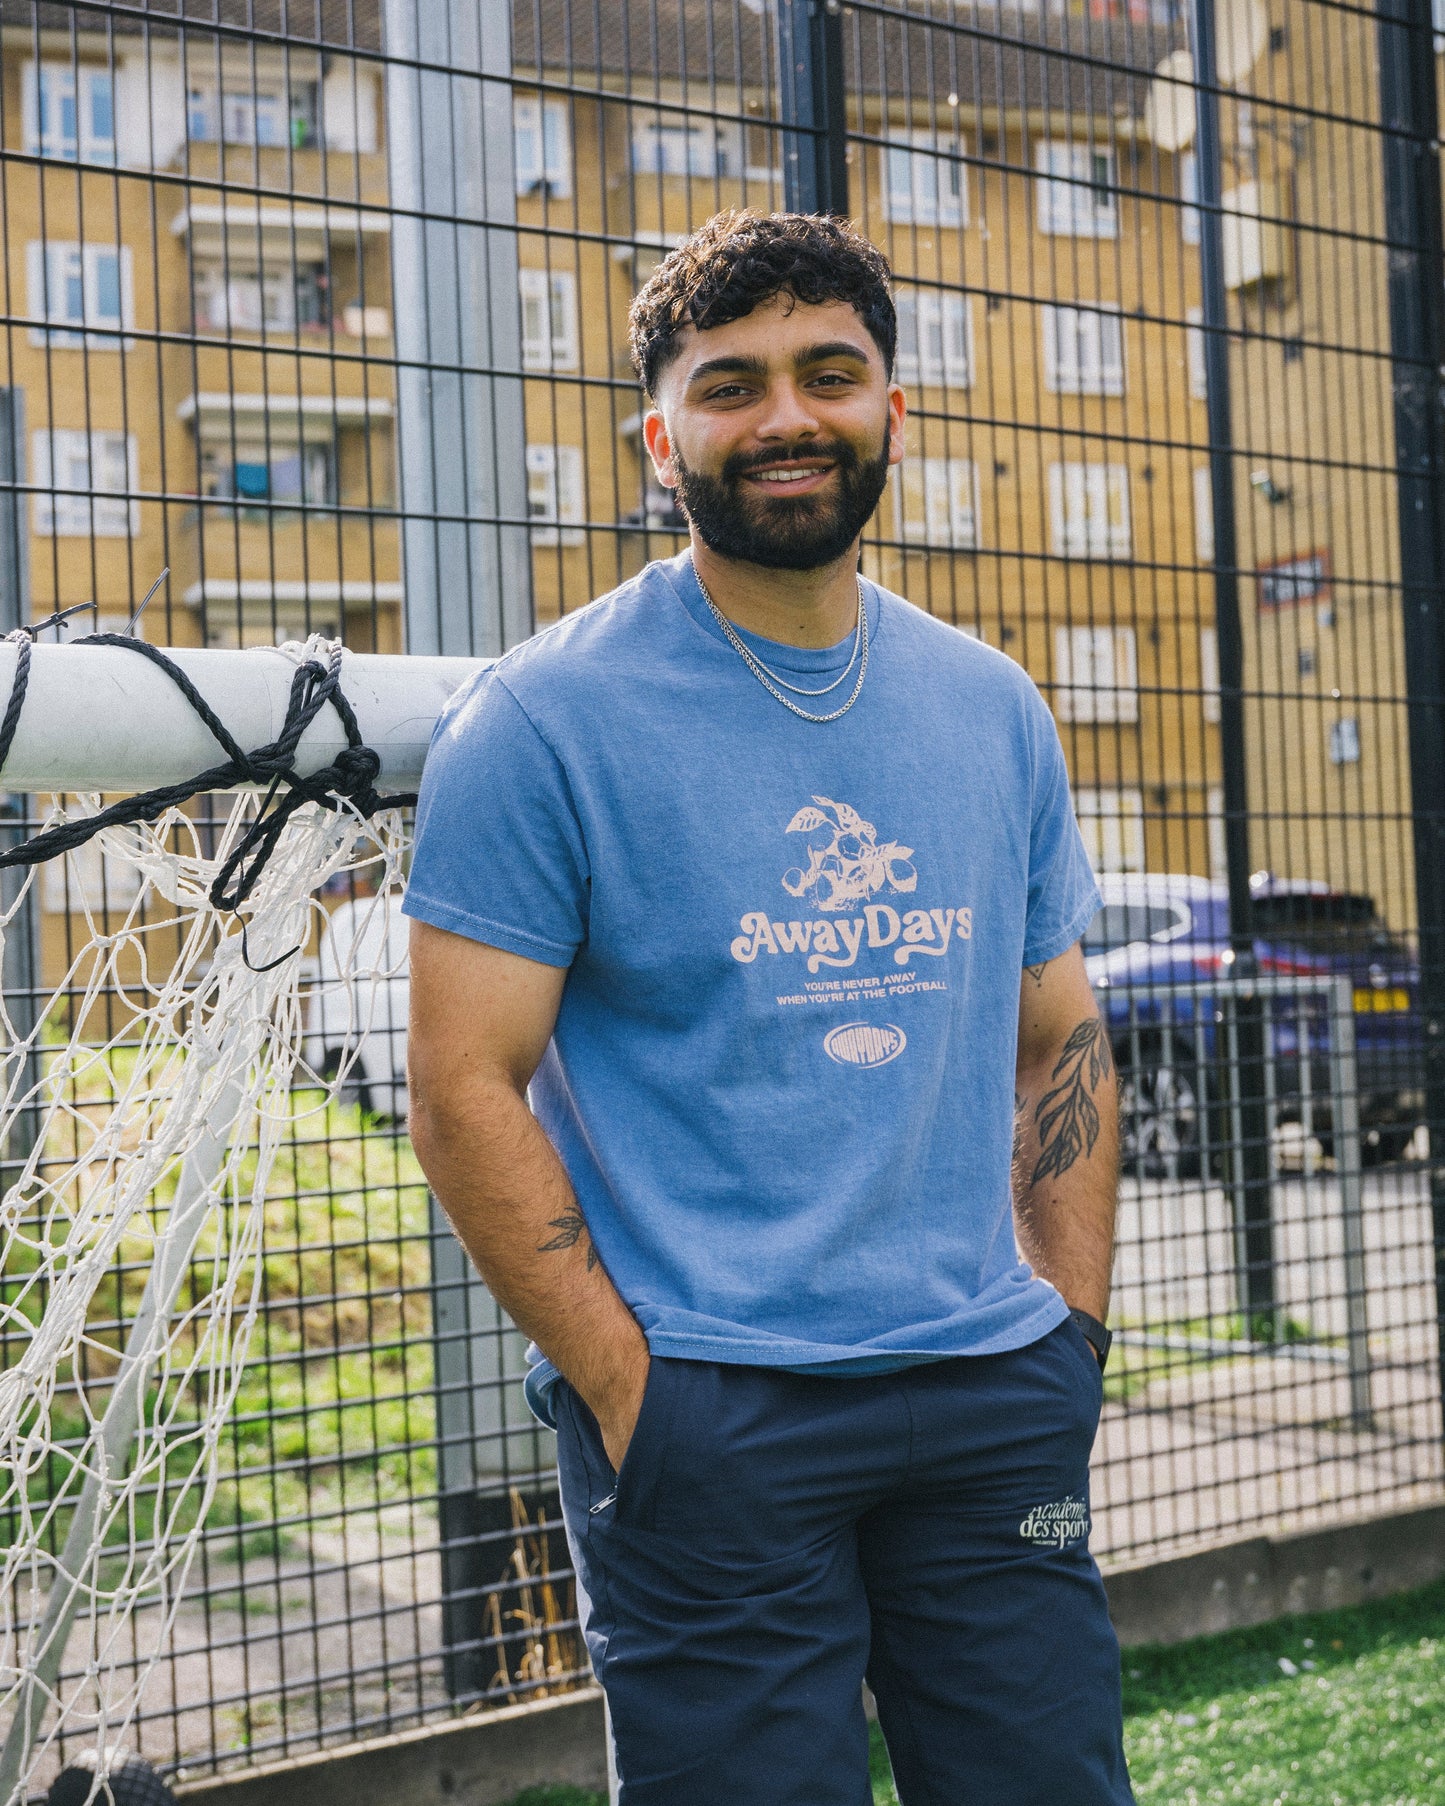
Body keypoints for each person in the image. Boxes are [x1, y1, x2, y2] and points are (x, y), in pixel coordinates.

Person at [404, 209, 1132, 1805]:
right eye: (730, 385)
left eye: (829, 374)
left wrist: (1063, 1334)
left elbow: (1059, 1034)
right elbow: (463, 1084)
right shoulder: (539, 721)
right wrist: (629, 1389)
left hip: (991, 1386)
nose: (786, 416)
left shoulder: (989, 705)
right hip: (711, 1409)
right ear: (660, 436)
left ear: (891, 410)